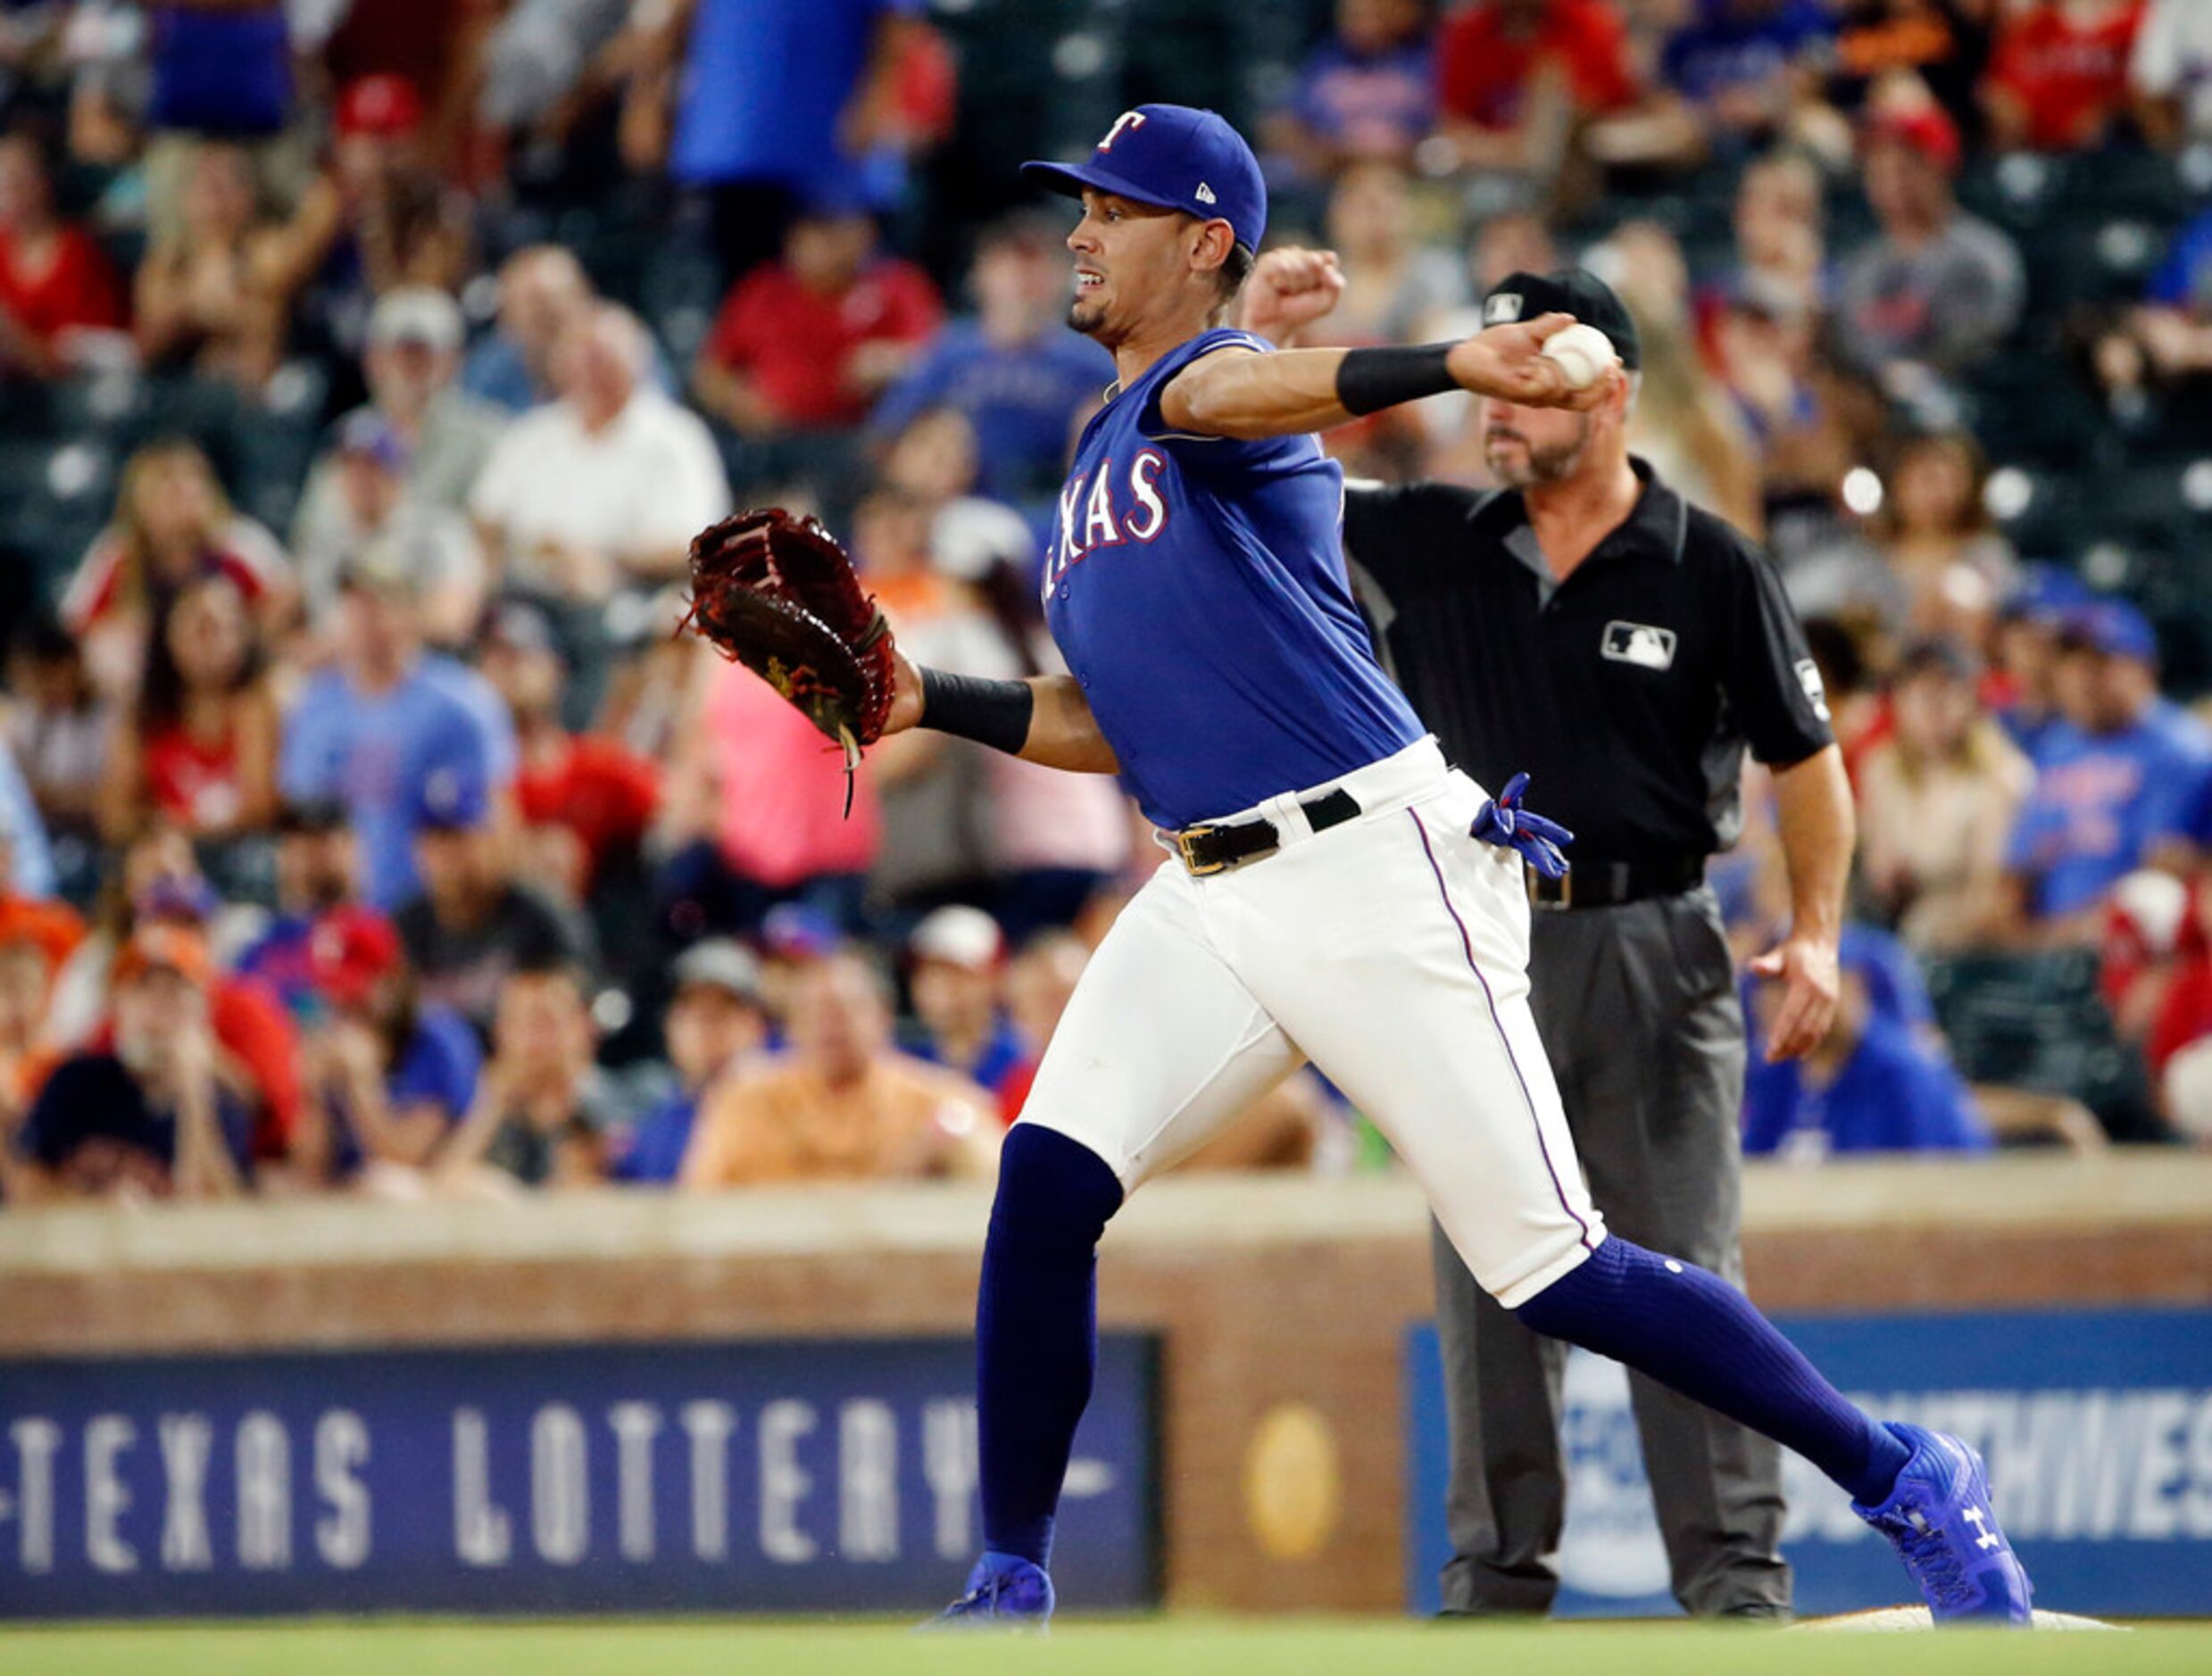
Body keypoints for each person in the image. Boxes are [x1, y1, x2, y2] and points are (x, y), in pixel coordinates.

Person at [872, 104, 2029, 1625]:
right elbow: (1104, 718)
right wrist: (920, 699)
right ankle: (1008, 1581)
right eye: (1076, 200)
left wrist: (1441, 360)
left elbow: (1241, 390)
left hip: (1374, 864)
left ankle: (1897, 1471)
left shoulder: (1203, 389)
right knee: (1042, 1176)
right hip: (1209, 885)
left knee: (1551, 1266)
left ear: (1202, 239)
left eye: (1112, 206)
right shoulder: (1095, 454)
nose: (1077, 228)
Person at [1261, 254, 1846, 1619]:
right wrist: (1260, 341)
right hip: (1473, 950)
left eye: (1534, 373)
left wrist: (1813, 932)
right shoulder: (1426, 535)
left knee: (1680, 1270)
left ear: (1615, 390)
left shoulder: (1707, 561)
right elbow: (1249, 482)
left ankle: (1733, 1591)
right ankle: (1494, 1591)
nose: (1499, 401)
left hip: (1654, 942)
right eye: (1488, 374)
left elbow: (1806, 765)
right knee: (1489, 1273)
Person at [279, 544, 514, 910]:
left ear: (410, 611)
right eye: (354, 606)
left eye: (380, 604)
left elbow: (495, 822)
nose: (366, 619)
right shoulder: (315, 707)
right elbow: (300, 823)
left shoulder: (461, 705)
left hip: (432, 917)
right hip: (341, 916)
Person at [678, 948, 998, 1187]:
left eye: (845, 1011)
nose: (830, 1026)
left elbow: (999, 1183)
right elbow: (699, 1207)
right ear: (790, 1026)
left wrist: (950, 1144)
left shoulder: (939, 1101)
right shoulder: (743, 1104)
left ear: (883, 1017)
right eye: (814, 1011)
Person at [2000, 601, 2212, 946]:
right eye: (2070, 662)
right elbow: (2018, 868)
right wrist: (2010, 927)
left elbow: (2162, 872)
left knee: (2146, 901)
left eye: (2100, 663)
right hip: (2045, 940)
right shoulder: (2056, 746)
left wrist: (2054, 936)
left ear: (2145, 669)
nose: (2083, 677)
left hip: (2124, 940)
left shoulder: (2181, 749)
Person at [867, 212, 1113, 506]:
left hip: (1056, 505)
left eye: (1037, 266)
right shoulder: (946, 352)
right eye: (1010, 265)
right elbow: (887, 436)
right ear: (980, 274)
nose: (1023, 279)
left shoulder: (1092, 361)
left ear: (1064, 277)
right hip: (952, 507)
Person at [9, 925, 252, 1202]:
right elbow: (26, 1185)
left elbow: (220, 1215)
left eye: (172, 993)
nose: (156, 1008)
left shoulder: (221, 1102)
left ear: (202, 1010)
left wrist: (193, 1095)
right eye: (142, 990)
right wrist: (98, 1209)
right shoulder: (75, 1079)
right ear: (118, 1003)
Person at [693, 190, 942, 438]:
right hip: (772, 439)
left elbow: (934, 361)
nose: (823, 245)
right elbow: (710, 373)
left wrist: (890, 363)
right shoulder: (764, 288)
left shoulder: (897, 286)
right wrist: (740, 403)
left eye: (837, 232)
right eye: (815, 231)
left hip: (860, 436)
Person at [1858, 636, 2034, 952]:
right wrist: (1888, 880)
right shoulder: (1882, 769)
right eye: (1918, 693)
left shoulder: (2001, 774)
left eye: (1946, 691)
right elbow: (1880, 866)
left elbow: (1989, 893)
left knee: (1922, 930)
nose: (1932, 706)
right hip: (1900, 917)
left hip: (1963, 930)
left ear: (1971, 699)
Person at [1834, 101, 2024, 388]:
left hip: (1960, 404)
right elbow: (1852, 347)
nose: (1891, 181)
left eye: (1905, 166)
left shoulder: (1981, 254)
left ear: (1939, 167)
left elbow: (1977, 348)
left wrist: (1916, 376)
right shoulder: (1862, 262)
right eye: (1878, 167)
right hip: (1869, 407)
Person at [293, 902, 481, 1190]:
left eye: (356, 991)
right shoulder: (330, 1041)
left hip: (441, 1196)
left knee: (391, 1186)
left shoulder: (437, 1039)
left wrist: (361, 1085)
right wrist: (313, 1095)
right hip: (355, 1197)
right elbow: (309, 1172)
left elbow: (406, 1158)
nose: (344, 1004)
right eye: (333, 991)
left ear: (393, 980)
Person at [392, 775, 592, 1037]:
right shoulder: (405, 925)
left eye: (460, 838)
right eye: (436, 841)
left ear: (491, 840)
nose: (448, 855)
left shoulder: (539, 916)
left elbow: (574, 1013)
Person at [1741, 956, 1994, 1159]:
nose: (1781, 1001)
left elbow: (1927, 1180)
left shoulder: (1902, 1071)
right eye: (1772, 986)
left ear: (1853, 985)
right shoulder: (1775, 1072)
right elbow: (1753, 1166)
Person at [97, 574, 280, 848]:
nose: (205, 643)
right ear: (168, 636)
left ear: (242, 637)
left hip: (237, 857)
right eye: (195, 629)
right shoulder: (143, 715)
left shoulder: (258, 708)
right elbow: (114, 814)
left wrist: (173, 825)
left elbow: (259, 810)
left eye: (216, 628)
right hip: (160, 860)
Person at [436, 960, 615, 1191]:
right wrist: (491, 1104)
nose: (536, 1040)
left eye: (547, 1022)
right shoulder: (483, 1108)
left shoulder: (626, 1099)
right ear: (500, 1033)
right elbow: (441, 1184)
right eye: (521, 1023)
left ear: (584, 1026)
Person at [608, 937, 769, 1184]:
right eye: (696, 1015)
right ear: (671, 1027)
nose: (709, 1030)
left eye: (723, 1014)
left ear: (756, 1025)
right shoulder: (649, 1127)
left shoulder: (786, 1108)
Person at [0, 130, 126, 378]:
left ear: (46, 182)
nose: (7, 192)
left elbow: (96, 361)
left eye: (18, 180)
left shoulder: (79, 256)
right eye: (1, 181)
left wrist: (14, 337)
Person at [904, 905, 1025, 1097]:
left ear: (996, 978)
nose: (941, 986)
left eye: (957, 974)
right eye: (929, 973)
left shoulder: (1024, 1060)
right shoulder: (906, 1063)